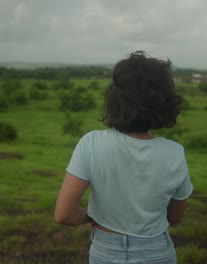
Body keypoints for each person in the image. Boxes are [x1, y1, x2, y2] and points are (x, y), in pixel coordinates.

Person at [54, 51, 193, 264]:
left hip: (106, 250)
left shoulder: (91, 142)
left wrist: (90, 216)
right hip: (157, 251)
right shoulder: (175, 152)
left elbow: (63, 214)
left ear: (114, 99)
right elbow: (175, 218)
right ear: (164, 103)